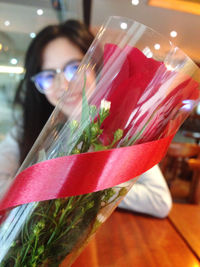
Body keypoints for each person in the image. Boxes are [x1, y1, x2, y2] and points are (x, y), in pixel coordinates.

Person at [0, 19, 172, 218]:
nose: (64, 85)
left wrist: (82, 180)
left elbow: (159, 199)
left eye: (75, 68)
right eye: (48, 76)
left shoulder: (119, 125)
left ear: (96, 68)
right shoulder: (30, 125)